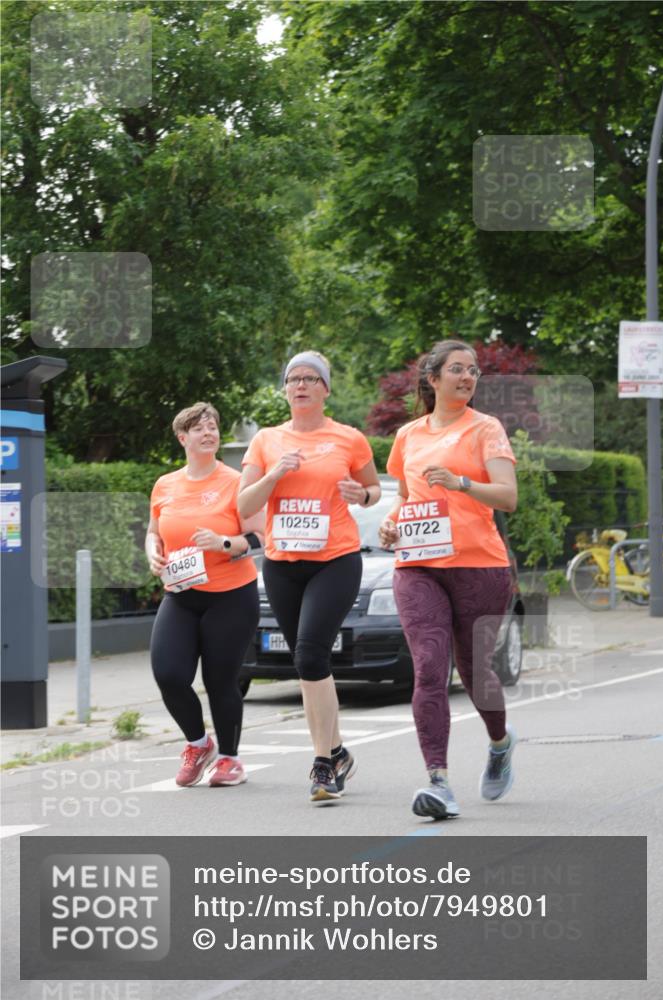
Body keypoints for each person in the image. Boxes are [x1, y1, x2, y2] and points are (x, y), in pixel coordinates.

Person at [378, 340, 518, 820]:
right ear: (433, 378)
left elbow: (508, 496)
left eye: (473, 370)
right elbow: (405, 497)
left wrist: (462, 483)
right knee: (429, 666)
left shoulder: (486, 428)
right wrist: (391, 524)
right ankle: (438, 781)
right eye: (457, 369)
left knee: (476, 673)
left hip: (479, 566)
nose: (468, 377)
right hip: (418, 566)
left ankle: (499, 743)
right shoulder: (408, 436)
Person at [238, 351, 381, 803]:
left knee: (310, 653)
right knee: (309, 664)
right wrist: (274, 474)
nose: (300, 385)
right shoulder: (266, 440)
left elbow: (374, 490)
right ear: (285, 389)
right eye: (293, 379)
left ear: (326, 389)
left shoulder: (349, 438)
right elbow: (243, 506)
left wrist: (362, 495)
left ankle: (322, 763)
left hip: (335, 559)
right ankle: (336, 752)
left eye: (310, 378)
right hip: (282, 564)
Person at [146, 402, 264, 788]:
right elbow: (154, 532)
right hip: (181, 594)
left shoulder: (235, 482)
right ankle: (198, 744)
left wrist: (223, 542)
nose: (208, 432)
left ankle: (230, 758)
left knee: (220, 680)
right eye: (199, 428)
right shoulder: (165, 485)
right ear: (183, 438)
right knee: (169, 673)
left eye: (212, 426)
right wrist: (151, 551)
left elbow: (258, 537)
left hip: (231, 594)